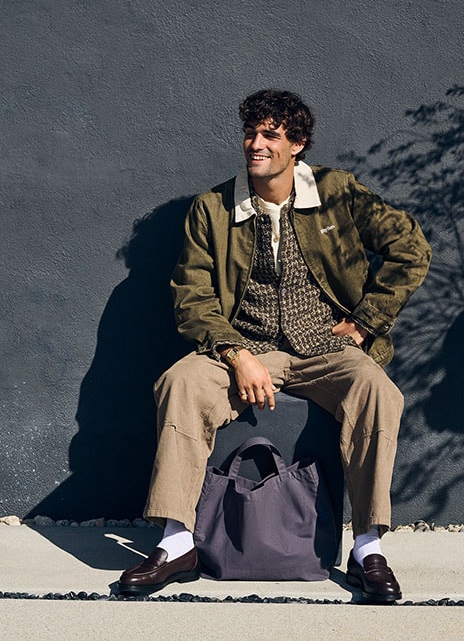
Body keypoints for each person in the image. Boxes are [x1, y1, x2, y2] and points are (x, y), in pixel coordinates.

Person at [118, 89, 431, 602]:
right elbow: (192, 296)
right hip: (244, 345)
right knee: (180, 382)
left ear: (297, 144)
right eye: (250, 133)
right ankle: (176, 543)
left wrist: (364, 323)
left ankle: (367, 548)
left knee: (379, 392)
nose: (256, 144)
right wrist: (236, 353)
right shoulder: (213, 208)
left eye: (270, 135)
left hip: (325, 348)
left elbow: (411, 248)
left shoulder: (337, 192)